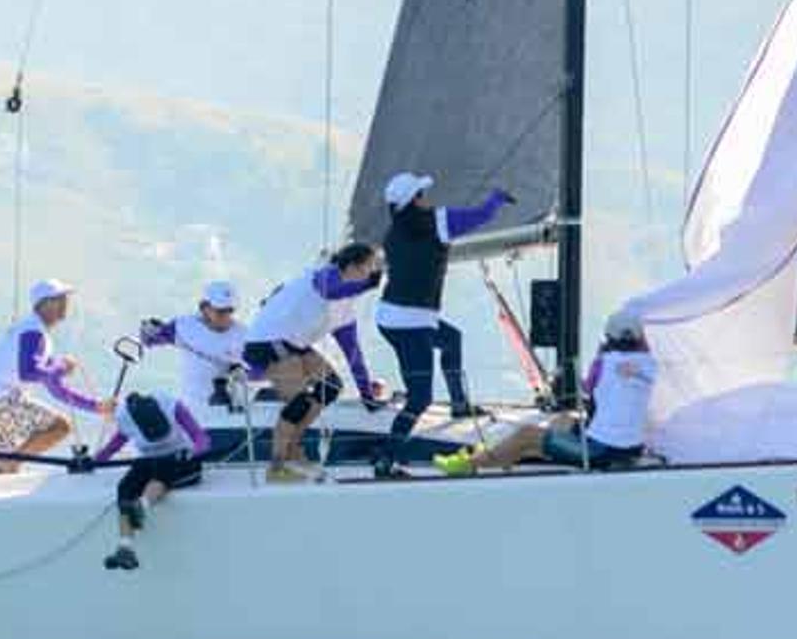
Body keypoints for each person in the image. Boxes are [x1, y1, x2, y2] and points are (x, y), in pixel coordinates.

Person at [373, 171, 514, 478]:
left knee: (451, 339)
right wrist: (496, 199)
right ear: (415, 200)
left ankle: (459, 404)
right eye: (422, 193)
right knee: (419, 397)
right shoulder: (438, 221)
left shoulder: (393, 231)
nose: (427, 197)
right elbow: (480, 216)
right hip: (412, 324)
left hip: (391, 317)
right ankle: (385, 460)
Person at [434, 307, 656, 476]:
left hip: (601, 452)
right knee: (564, 420)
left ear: (609, 337)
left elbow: (587, 388)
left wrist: (594, 359)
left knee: (526, 433)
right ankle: (507, 457)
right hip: (631, 449)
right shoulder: (650, 363)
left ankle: (468, 465)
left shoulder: (604, 362)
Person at [242, 243, 384, 482]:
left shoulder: (345, 310)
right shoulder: (326, 276)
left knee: (331, 386)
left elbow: (354, 355)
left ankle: (293, 449)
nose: (371, 273)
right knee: (298, 403)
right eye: (368, 268)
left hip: (292, 345)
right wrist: (369, 283)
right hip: (266, 342)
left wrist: (367, 395)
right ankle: (276, 466)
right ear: (351, 267)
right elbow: (330, 290)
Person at [0, 278, 114, 472]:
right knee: (60, 427)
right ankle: (9, 464)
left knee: (4, 468)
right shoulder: (33, 330)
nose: (66, 304)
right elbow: (28, 372)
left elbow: (56, 389)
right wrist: (61, 367)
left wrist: (95, 406)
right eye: (60, 299)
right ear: (45, 304)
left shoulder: (34, 332)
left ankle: (4, 469)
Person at [94, 391, 211, 571]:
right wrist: (94, 461)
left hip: (180, 457)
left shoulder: (172, 405)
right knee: (125, 488)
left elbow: (199, 436)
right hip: (149, 460)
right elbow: (114, 446)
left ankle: (142, 504)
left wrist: (197, 451)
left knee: (163, 472)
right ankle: (125, 547)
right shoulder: (125, 417)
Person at [138, 281, 247, 413]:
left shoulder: (243, 335)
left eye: (230, 310)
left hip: (228, 413)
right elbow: (151, 339)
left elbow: (260, 369)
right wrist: (149, 332)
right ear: (204, 307)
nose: (226, 316)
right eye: (220, 311)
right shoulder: (185, 327)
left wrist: (242, 370)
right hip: (193, 411)